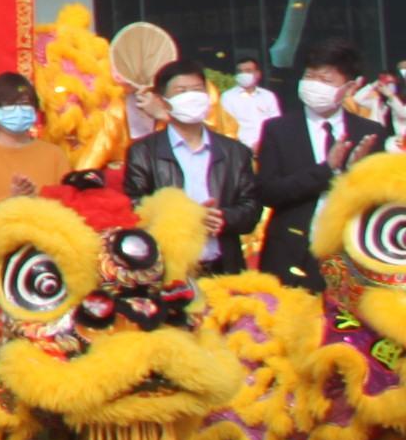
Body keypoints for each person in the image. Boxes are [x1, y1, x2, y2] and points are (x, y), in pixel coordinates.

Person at [256, 46, 388, 286]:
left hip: (350, 254)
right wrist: (326, 170)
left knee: (346, 323)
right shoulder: (278, 129)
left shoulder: (369, 132)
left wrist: (355, 175)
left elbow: (380, 200)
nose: (314, 84)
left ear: (348, 88)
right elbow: (268, 192)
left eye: (325, 80)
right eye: (309, 77)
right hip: (292, 252)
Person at [126, 62, 262, 276]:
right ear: (162, 100)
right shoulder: (143, 152)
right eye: (181, 91)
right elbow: (134, 206)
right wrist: (188, 217)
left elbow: (252, 207)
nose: (191, 97)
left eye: (198, 90)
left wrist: (224, 218)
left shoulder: (235, 152)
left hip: (223, 267)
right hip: (168, 270)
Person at [0, 70, 73, 232]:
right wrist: (10, 200)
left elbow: (70, 207)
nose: (19, 110)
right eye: (9, 104)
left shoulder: (54, 154)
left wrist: (37, 199)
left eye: (24, 103)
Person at [227, 54, 284, 151]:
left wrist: (262, 144)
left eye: (248, 71)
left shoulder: (268, 96)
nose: (243, 74)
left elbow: (276, 123)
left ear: (258, 74)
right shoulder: (228, 97)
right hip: (241, 149)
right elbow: (228, 127)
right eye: (240, 71)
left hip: (268, 147)